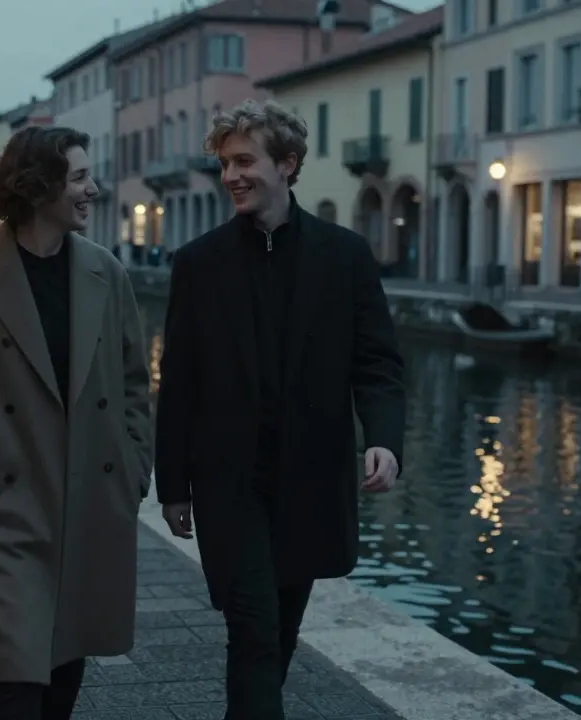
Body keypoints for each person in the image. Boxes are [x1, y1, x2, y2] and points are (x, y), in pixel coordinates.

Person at [154, 99, 405, 719]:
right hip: (229, 484)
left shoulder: (345, 256)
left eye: (245, 161)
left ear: (287, 164)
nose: (231, 175)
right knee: (254, 630)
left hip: (311, 480)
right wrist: (173, 485)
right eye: (225, 164)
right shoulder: (199, 263)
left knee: (279, 632)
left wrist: (383, 438)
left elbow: (377, 363)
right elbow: (178, 381)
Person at [0, 126, 153, 719]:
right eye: (80, 177)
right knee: (14, 679)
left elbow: (133, 384)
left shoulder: (106, 271)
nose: (94, 189)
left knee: (63, 673)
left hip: (88, 498)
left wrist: (133, 470)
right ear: (40, 187)